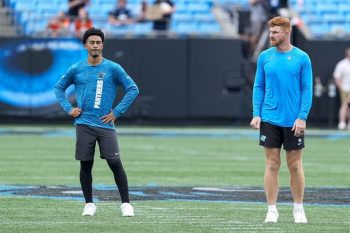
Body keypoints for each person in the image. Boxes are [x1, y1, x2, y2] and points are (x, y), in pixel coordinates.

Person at [54, 27, 139, 217]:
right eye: (91, 42)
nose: (95, 45)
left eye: (98, 42)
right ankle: (89, 204)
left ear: (102, 45)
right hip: (84, 124)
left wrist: (116, 112)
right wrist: (69, 108)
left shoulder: (113, 68)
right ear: (85, 45)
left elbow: (133, 89)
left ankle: (126, 204)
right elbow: (59, 88)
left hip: (106, 125)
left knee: (115, 162)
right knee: (86, 164)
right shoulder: (76, 69)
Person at [250, 16, 312, 224]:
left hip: (294, 120)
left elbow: (306, 89)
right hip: (269, 118)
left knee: (295, 165)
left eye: (275, 32)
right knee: (272, 164)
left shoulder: (302, 58)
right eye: (270, 32)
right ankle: (271, 209)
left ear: (286, 33)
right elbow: (258, 86)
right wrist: (256, 113)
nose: (271, 35)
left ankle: (298, 208)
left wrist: (302, 117)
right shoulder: (264, 57)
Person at [333, 47, 350, 130]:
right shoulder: (342, 64)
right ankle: (342, 123)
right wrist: (341, 87)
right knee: (344, 105)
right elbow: (337, 77)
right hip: (345, 88)